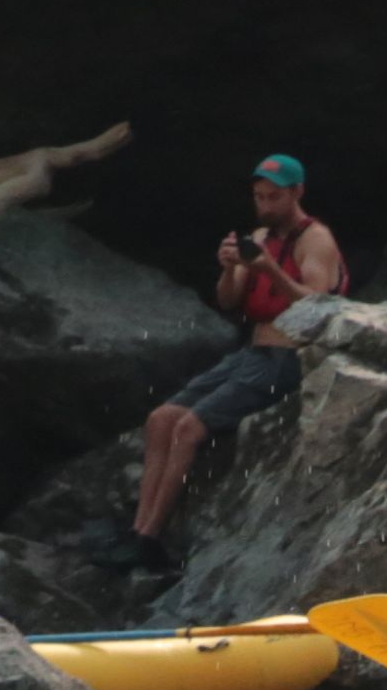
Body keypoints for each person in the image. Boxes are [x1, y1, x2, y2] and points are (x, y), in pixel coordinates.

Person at [130, 155, 349, 563]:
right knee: (161, 418)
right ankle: (136, 530)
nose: (265, 206)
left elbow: (317, 305)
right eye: (259, 197)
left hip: (287, 357)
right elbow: (229, 300)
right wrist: (230, 268)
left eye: (274, 197)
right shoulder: (262, 235)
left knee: (188, 427)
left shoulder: (315, 239)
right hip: (253, 350)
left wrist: (270, 268)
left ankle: (151, 539)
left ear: (296, 193)